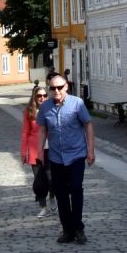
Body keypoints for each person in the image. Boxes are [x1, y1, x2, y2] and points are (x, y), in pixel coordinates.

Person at [37, 75, 94, 244]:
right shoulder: (45, 107)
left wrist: (90, 150)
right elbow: (42, 130)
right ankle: (67, 230)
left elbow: (88, 125)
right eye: (52, 88)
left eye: (59, 87)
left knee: (76, 189)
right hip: (56, 156)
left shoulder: (77, 103)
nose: (56, 91)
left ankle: (78, 228)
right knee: (61, 193)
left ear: (66, 87)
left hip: (76, 154)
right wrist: (39, 150)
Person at [20, 85, 51, 218]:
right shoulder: (29, 112)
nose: (42, 98)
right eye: (39, 96)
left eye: (44, 96)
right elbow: (25, 132)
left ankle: (53, 195)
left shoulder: (52, 109)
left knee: (51, 178)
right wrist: (23, 152)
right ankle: (43, 207)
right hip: (35, 150)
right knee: (39, 182)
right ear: (34, 97)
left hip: (51, 149)